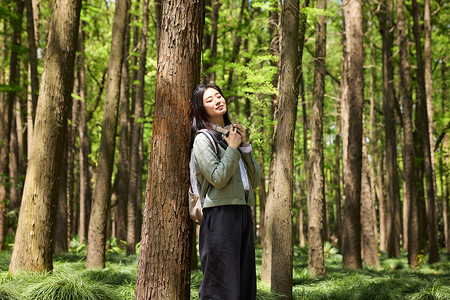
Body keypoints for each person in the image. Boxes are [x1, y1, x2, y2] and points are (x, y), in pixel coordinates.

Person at [191, 83, 261, 300]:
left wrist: (244, 146)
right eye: (209, 100)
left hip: (241, 212)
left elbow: (255, 180)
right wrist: (231, 148)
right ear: (201, 110)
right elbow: (218, 179)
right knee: (221, 285)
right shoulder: (203, 139)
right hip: (219, 216)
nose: (217, 101)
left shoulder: (231, 137)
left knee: (244, 283)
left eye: (218, 96)